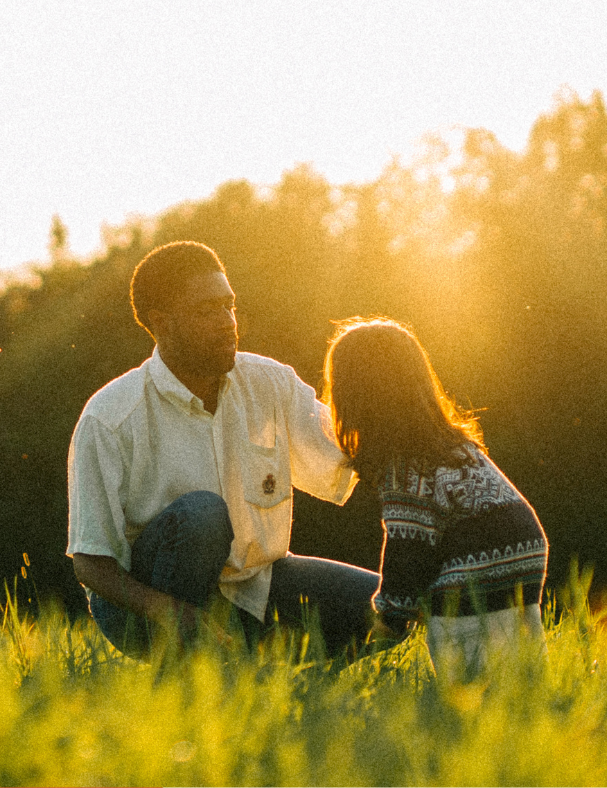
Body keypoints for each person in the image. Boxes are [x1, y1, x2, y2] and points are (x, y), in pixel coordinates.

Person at [67, 241, 378, 658]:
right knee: (202, 515)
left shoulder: (270, 383)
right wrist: (177, 615)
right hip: (142, 611)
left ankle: (261, 668)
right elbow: (91, 564)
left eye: (229, 306)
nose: (228, 322)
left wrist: (451, 464)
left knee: (391, 606)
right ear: (162, 323)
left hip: (255, 585)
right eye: (207, 311)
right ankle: (183, 675)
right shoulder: (110, 418)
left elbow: (354, 450)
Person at [322, 316, 549, 681]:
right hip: (523, 552)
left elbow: (406, 556)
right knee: (517, 667)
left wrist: (387, 623)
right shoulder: (456, 446)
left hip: (476, 565)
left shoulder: (407, 470)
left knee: (465, 680)